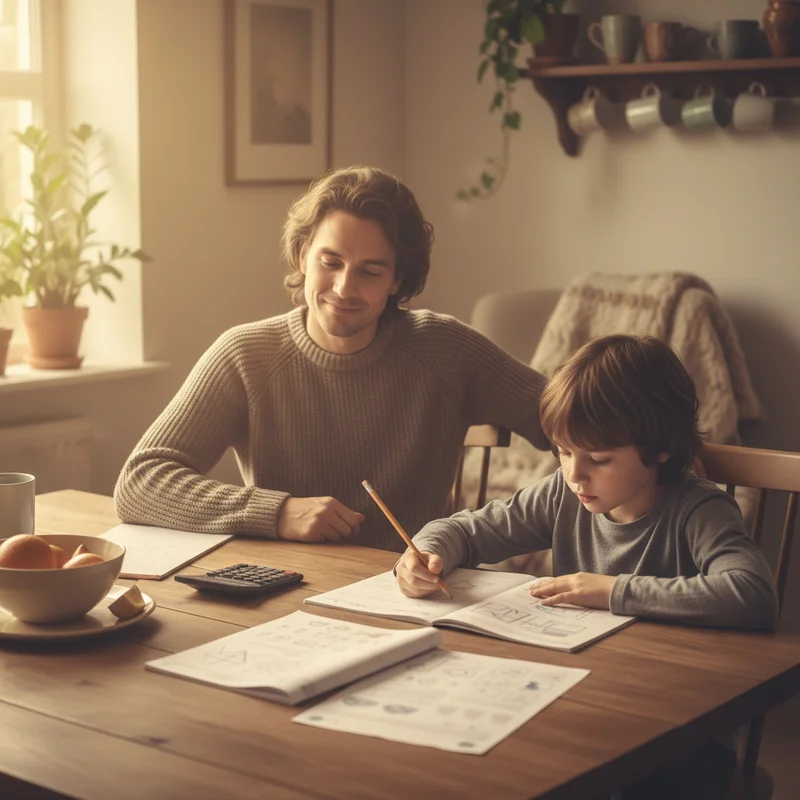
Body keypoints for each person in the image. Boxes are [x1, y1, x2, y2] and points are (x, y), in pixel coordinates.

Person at [397, 333, 778, 800]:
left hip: (686, 730)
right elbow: (470, 529)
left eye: (598, 459)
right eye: (563, 451)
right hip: (588, 701)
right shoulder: (564, 492)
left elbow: (751, 593)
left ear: (660, 449)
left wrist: (612, 591)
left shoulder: (698, 510)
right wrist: (426, 550)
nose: (575, 474)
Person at [114, 165, 549, 552]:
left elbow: (581, 423)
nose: (344, 287)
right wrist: (277, 512)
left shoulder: (445, 349)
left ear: (398, 280)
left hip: (412, 592)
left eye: (370, 271)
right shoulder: (246, 355)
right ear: (303, 256)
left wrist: (511, 525)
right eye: (331, 262)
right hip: (279, 592)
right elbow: (139, 483)